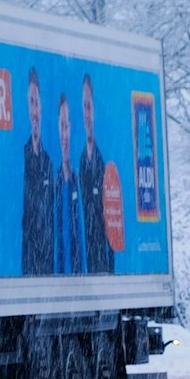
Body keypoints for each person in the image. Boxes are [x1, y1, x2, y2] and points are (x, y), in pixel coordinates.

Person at [77, 74, 114, 274]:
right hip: (87, 267)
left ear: (95, 111)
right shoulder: (81, 163)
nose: (86, 113)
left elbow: (113, 226)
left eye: (89, 106)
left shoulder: (104, 163)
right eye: (84, 106)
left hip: (103, 265)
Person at [20, 68, 54, 276]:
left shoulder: (48, 163)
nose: (34, 109)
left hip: (48, 264)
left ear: (41, 107)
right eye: (30, 102)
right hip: (30, 263)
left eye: (36, 102)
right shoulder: (22, 157)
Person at [54, 95, 86, 274]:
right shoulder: (54, 183)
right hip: (57, 278)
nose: (64, 134)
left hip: (80, 279)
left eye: (67, 126)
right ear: (57, 128)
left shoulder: (77, 181)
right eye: (61, 125)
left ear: (71, 128)